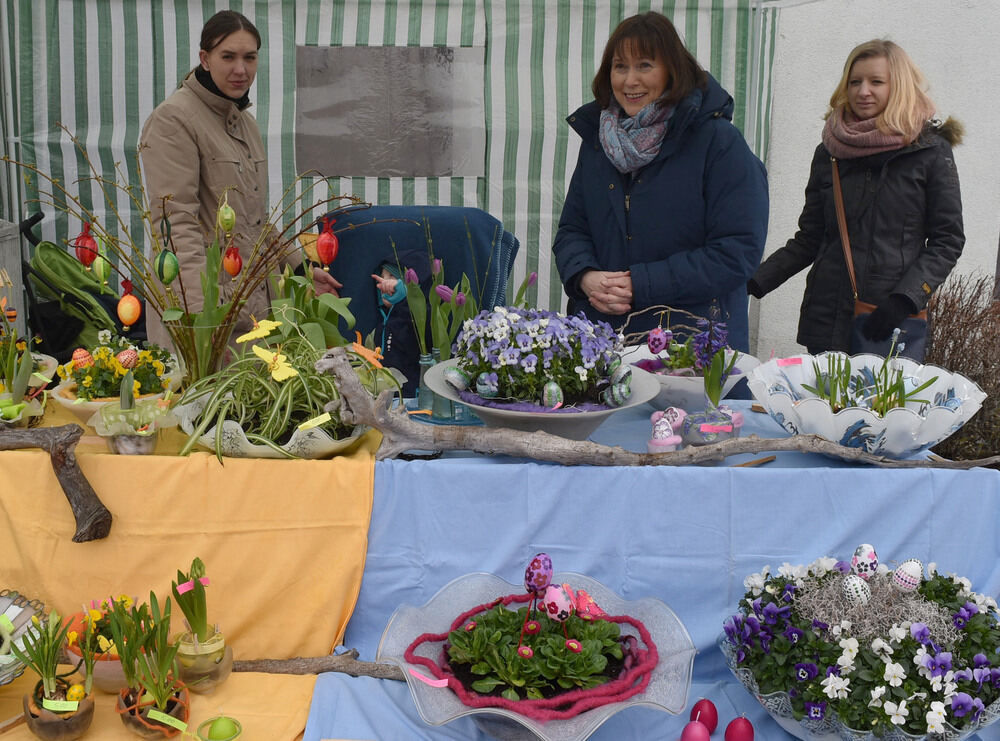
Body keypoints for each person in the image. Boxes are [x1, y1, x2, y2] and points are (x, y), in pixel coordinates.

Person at [553, 11, 768, 353]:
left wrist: (642, 283)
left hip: (691, 344)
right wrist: (585, 277)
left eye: (645, 65)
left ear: (672, 70)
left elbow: (737, 252)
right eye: (620, 66)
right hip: (606, 341)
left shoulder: (718, 142)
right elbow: (572, 231)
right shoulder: (598, 143)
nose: (629, 81)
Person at [749, 40, 963, 359]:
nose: (863, 91)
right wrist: (755, 281)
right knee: (821, 407)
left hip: (889, 322)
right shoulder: (830, 152)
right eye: (855, 81)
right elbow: (811, 238)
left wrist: (905, 300)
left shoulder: (930, 151)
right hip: (826, 320)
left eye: (876, 82)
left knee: (879, 409)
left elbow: (947, 241)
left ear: (898, 86)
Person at [140, 10, 339, 352]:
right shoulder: (173, 120)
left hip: (254, 305)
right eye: (228, 56)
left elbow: (254, 221)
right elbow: (174, 227)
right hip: (209, 312)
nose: (240, 69)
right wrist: (203, 320)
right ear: (205, 58)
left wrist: (301, 267)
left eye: (250, 57)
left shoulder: (245, 124)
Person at [370, 250, 429, 397]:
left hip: (410, 398)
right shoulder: (382, 319)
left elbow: (420, 329)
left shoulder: (415, 317)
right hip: (384, 396)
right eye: (382, 277)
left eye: (392, 277)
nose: (385, 283)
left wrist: (408, 299)